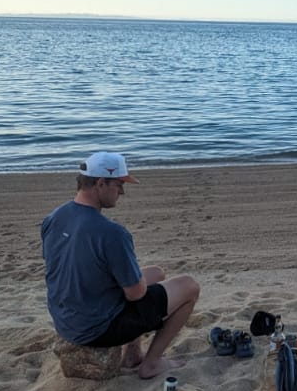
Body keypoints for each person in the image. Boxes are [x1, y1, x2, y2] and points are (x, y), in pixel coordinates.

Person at [41, 151, 200, 379]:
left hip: (66, 318)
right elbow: (136, 294)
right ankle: (151, 364)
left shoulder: (54, 218)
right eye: (118, 185)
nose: (122, 192)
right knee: (189, 286)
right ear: (100, 183)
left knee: (156, 273)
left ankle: (132, 354)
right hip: (97, 329)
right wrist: (133, 283)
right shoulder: (111, 233)